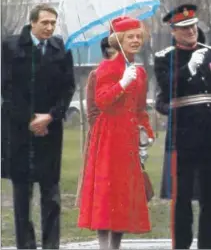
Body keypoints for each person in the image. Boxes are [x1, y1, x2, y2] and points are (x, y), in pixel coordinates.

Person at [154, 4, 211, 249]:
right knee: (183, 196)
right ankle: (182, 244)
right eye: (184, 28)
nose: (190, 31)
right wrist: (187, 69)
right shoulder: (164, 57)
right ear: (173, 31)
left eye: (192, 26)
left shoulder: (210, 53)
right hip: (185, 133)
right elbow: (168, 89)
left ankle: (206, 245)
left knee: (210, 197)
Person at [1, 4, 76, 249]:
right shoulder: (11, 47)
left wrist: (50, 117)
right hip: (20, 130)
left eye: (53, 23)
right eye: (44, 22)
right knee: (22, 195)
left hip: (50, 130)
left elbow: (67, 89)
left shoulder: (61, 49)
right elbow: (7, 88)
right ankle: (26, 245)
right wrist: (30, 119)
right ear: (32, 22)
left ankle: (51, 244)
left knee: (51, 194)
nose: (49, 27)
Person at [77, 16, 155, 249]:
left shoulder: (139, 73)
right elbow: (102, 102)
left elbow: (140, 109)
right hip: (109, 137)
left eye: (138, 37)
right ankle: (104, 246)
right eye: (130, 36)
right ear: (119, 39)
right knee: (106, 192)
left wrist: (147, 132)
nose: (135, 40)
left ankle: (116, 246)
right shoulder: (107, 68)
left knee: (122, 194)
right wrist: (121, 83)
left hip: (129, 138)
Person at [75, 36, 117, 207]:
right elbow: (92, 110)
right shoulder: (96, 74)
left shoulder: (130, 72)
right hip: (103, 133)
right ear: (108, 50)